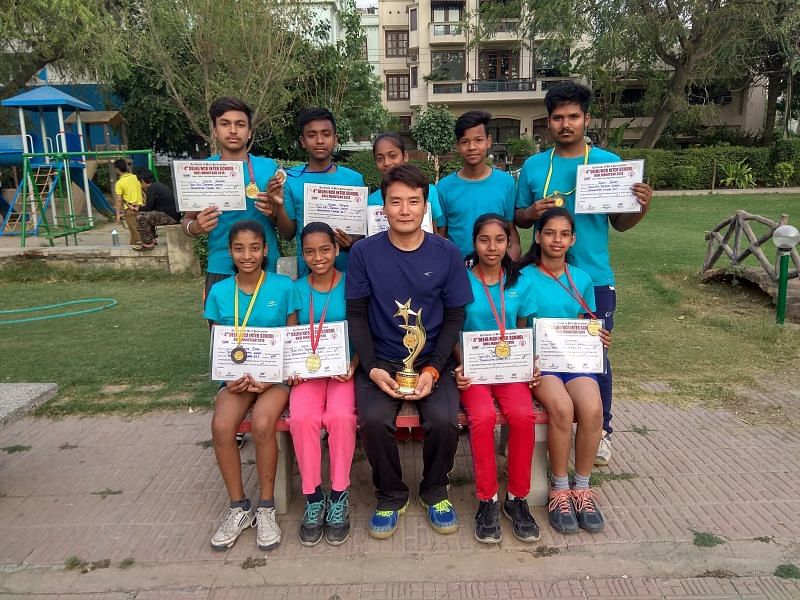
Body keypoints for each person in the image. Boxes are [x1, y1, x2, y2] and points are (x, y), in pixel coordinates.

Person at [514, 82, 653, 465]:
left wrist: (641, 206)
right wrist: (532, 212)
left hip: (592, 278)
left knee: (595, 357)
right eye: (557, 117)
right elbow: (518, 218)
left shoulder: (608, 161)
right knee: (539, 355)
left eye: (573, 116)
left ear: (586, 119)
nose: (565, 124)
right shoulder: (534, 166)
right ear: (548, 122)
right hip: (543, 279)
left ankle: (601, 430)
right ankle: (528, 424)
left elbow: (621, 225)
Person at [346, 164, 473, 539]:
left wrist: (434, 369)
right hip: (382, 360)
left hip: (433, 358)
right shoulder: (364, 253)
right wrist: (370, 367)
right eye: (395, 201)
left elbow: (455, 316)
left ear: (425, 206)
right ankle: (390, 495)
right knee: (371, 420)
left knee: (445, 421)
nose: (404, 210)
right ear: (382, 207)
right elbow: (356, 312)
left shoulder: (446, 253)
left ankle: (435, 490)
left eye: (413, 201)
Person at [204, 220, 300, 551]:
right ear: (229, 251)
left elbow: (292, 340)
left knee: (262, 424)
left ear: (265, 250)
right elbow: (218, 340)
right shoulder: (218, 291)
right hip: (236, 378)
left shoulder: (283, 287)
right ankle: (238, 507)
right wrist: (229, 376)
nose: (247, 255)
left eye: (255, 248)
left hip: (274, 379)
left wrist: (273, 376)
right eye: (239, 248)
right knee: (221, 426)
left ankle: (267, 507)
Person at [517, 207, 610, 535]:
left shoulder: (581, 278)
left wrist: (598, 336)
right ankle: (559, 487)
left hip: (574, 362)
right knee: (561, 407)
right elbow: (516, 325)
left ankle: (581, 487)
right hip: (542, 364)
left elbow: (587, 324)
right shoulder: (523, 277)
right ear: (538, 236)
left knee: (593, 408)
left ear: (573, 240)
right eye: (550, 233)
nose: (557, 240)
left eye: (564, 234)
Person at [453, 214, 541, 544]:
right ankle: (487, 498)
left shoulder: (519, 282)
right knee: (483, 417)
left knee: (522, 416)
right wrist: (461, 366)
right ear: (474, 243)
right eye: (484, 240)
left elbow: (524, 329)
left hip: (510, 371)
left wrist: (529, 363)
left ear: (509, 243)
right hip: (474, 370)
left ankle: (516, 498)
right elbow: (453, 332)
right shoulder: (461, 281)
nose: (492, 247)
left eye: (500, 240)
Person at [288, 222, 358, 547]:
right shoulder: (296, 290)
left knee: (341, 418)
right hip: (308, 374)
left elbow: (362, 334)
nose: (319, 257)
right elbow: (290, 337)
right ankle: (314, 496)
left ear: (337, 249)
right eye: (311, 251)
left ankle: (340, 493)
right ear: (303, 255)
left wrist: (353, 365)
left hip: (343, 371)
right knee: (302, 419)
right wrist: (292, 368)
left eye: (325, 249)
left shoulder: (352, 285)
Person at [181, 96, 284, 303]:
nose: (233, 130)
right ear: (215, 131)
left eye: (240, 124)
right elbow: (186, 223)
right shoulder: (202, 170)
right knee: (224, 334)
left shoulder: (269, 168)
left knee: (271, 333)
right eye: (225, 124)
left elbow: (285, 226)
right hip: (221, 267)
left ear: (249, 132)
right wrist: (197, 227)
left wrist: (274, 212)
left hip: (266, 266)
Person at [269, 107, 366, 276]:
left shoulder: (354, 179)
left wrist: (351, 241)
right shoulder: (291, 180)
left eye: (326, 134)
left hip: (348, 270)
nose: (320, 140)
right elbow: (288, 234)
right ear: (302, 141)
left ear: (336, 139)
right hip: (309, 273)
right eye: (312, 135)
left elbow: (362, 231)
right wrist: (279, 206)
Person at [437, 111, 520, 261]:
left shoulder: (506, 183)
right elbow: (441, 235)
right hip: (460, 271)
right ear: (457, 146)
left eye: (478, 140)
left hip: (497, 270)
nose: (472, 147)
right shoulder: (444, 188)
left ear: (488, 141)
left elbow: (511, 228)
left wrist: (509, 264)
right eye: (465, 142)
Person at [368, 132, 443, 235]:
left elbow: (435, 231)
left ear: (405, 156)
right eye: (380, 158)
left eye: (393, 156)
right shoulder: (371, 201)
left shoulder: (430, 191)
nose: (386, 163)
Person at [132, 168, 180, 250]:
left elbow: (148, 207)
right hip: (173, 215)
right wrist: (139, 207)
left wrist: (137, 208)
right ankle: (152, 239)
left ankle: (147, 243)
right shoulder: (158, 186)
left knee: (141, 216)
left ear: (143, 180)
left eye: (140, 182)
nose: (141, 185)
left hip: (170, 217)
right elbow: (151, 206)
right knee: (149, 214)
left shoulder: (152, 188)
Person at [112, 159, 143, 247]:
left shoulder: (119, 183)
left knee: (136, 234)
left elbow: (119, 200)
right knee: (136, 232)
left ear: (117, 169)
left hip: (130, 210)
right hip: (141, 208)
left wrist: (118, 215)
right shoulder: (136, 177)